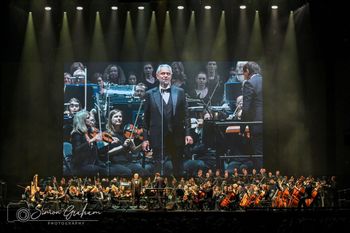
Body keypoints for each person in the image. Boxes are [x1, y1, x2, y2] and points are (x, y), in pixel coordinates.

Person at [142, 64, 193, 178]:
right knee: (159, 169)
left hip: (176, 136)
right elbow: (146, 118)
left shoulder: (180, 92)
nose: (165, 76)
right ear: (157, 76)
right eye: (163, 73)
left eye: (168, 74)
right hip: (158, 136)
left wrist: (188, 134)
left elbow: (186, 115)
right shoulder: (150, 94)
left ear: (171, 76)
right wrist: (145, 139)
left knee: (178, 168)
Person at [240, 61, 263, 169]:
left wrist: (242, 128)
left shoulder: (249, 83)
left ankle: (262, 182)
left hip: (257, 124)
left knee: (258, 154)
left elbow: (246, 109)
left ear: (247, 71)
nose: (243, 75)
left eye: (243, 72)